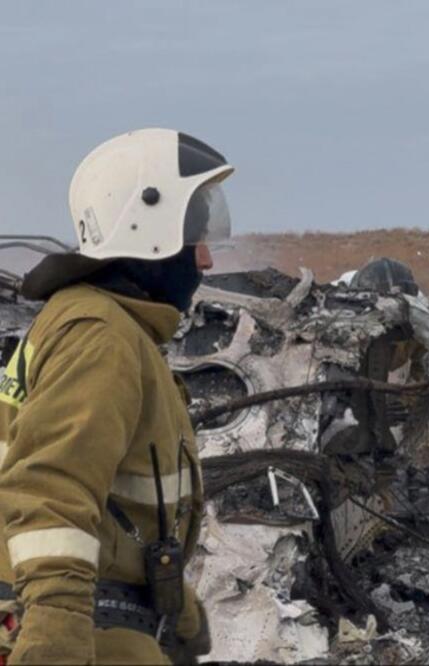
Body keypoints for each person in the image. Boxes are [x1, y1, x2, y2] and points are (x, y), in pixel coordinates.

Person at [0, 128, 234, 664]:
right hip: (84, 631)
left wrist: (177, 607)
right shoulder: (101, 336)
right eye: (195, 238)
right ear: (148, 228)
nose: (206, 262)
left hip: (107, 616)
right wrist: (55, 631)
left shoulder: (112, 329)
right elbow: (51, 486)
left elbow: (120, 510)